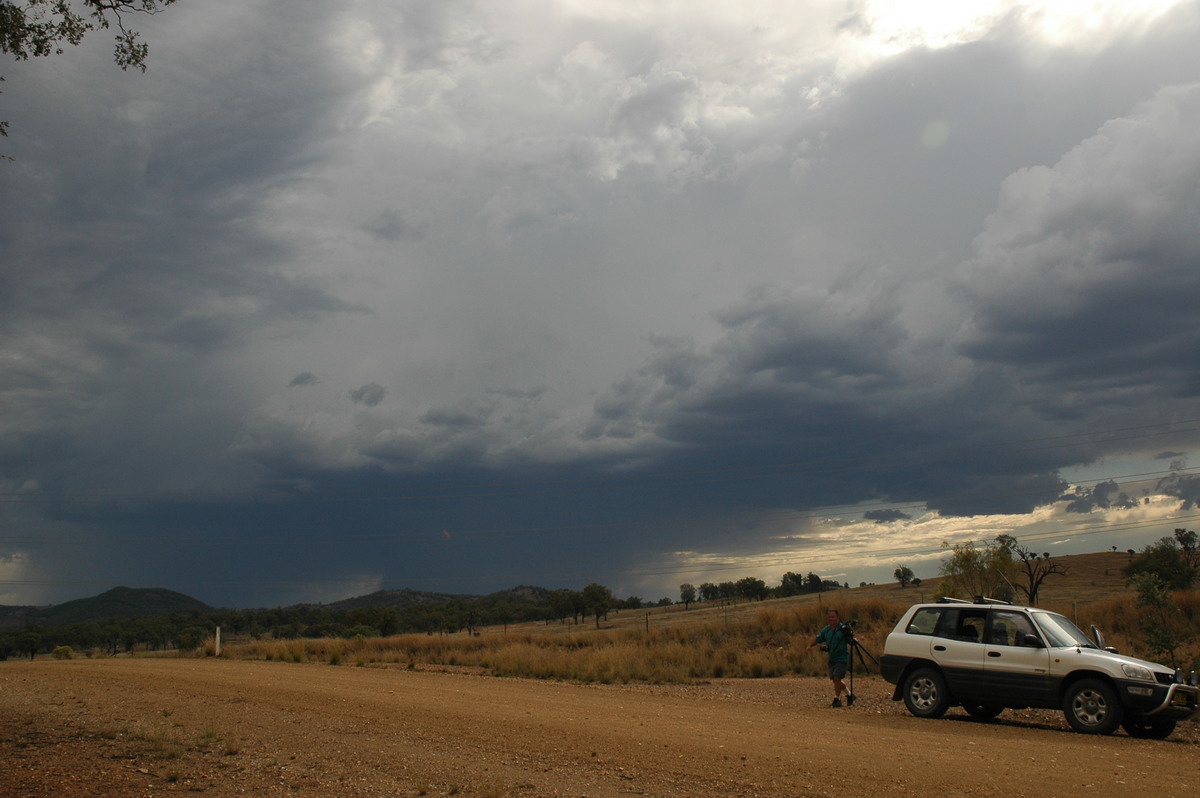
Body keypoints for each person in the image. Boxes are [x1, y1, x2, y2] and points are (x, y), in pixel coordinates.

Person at [805, 609, 852, 707]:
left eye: (833, 617)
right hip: (832, 658)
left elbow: (851, 641)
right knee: (836, 680)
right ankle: (849, 695)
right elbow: (818, 639)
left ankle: (837, 699)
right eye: (829, 617)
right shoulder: (826, 630)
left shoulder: (843, 629)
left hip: (842, 657)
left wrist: (850, 634)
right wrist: (810, 646)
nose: (831, 619)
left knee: (837, 677)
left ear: (837, 618)